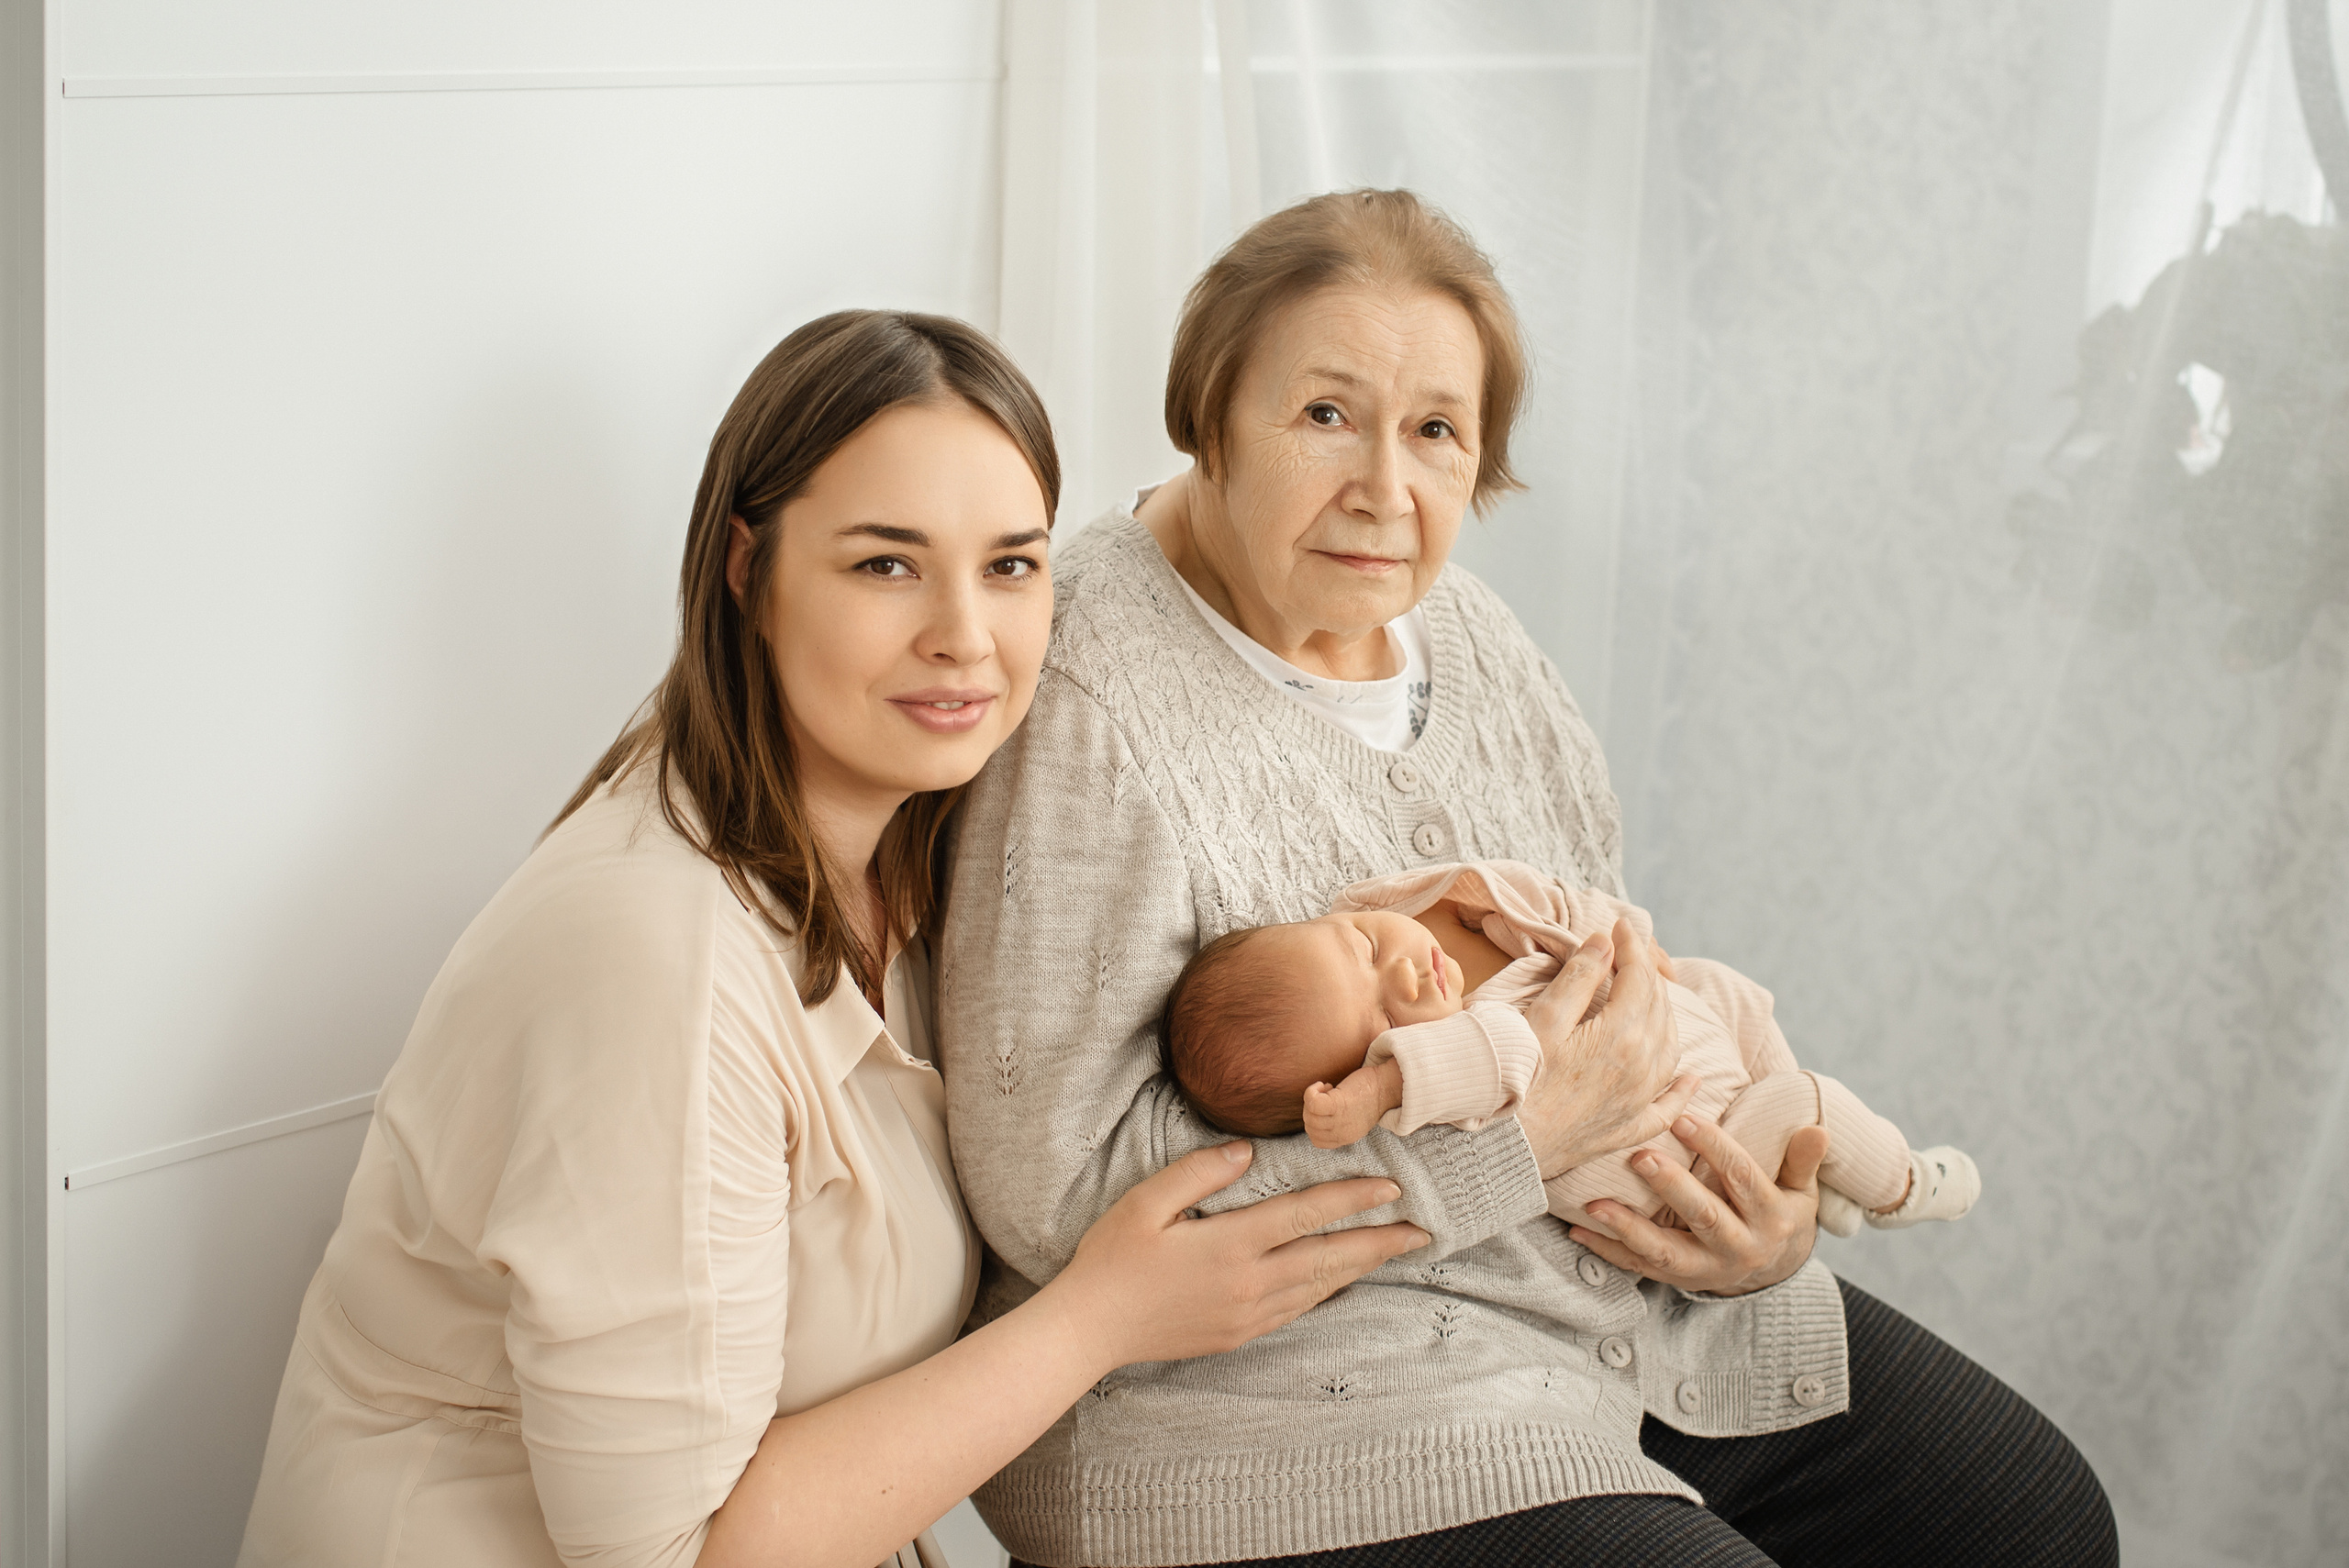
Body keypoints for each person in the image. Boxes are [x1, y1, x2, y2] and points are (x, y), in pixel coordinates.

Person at [940, 191, 2118, 1566]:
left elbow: (1610, 996)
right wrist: (1509, 1147)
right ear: (1208, 412)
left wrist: (1759, 1211)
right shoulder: (1085, 682)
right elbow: (1056, 1187)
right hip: (1282, 1399)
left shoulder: (1471, 639)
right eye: (1326, 414)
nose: (1388, 490)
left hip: (1609, 1291)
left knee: (2035, 1523)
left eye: (1437, 431)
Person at [233, 310, 1429, 1568]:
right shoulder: (657, 962)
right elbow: (679, 1556)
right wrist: (1100, 1321)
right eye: (885, 565)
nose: (964, 633)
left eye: (1012, 565)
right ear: (747, 573)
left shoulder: (910, 851)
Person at [1160, 858, 1982, 1239]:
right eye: (1383, 1023)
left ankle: (1824, 1174)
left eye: (1366, 948)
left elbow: (1562, 902)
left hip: (1703, 1086)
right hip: (1683, 1174)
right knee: (1801, 1100)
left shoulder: (1449, 906)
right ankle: (1904, 1181)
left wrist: (1626, 943)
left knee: (1724, 988)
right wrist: (1375, 1093)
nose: (1406, 974)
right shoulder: (1470, 1049)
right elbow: (1479, 1059)